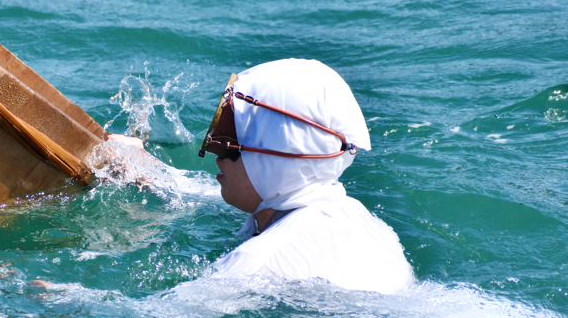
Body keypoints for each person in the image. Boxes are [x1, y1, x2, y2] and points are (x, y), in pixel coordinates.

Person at [113, 58, 414, 294]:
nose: (217, 148)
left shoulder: (254, 266)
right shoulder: (364, 223)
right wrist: (147, 171)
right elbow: (210, 193)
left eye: (232, 133)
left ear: (273, 153)